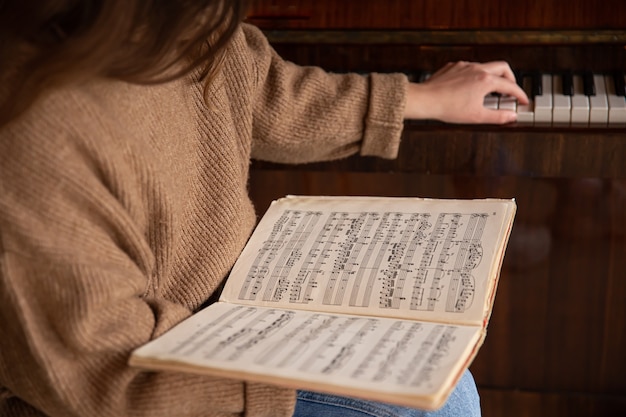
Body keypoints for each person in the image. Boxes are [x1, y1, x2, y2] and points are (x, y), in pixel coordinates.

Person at [0, 1, 528, 416]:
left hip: (238, 309)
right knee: (436, 404)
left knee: (433, 358)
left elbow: (261, 89)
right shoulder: (31, 133)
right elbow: (96, 373)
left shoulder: (187, 21)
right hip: (161, 374)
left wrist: (420, 99)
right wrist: (277, 373)